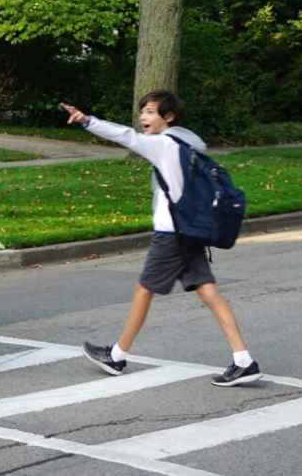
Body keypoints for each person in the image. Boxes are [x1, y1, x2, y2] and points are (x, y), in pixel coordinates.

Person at [61, 92, 263, 387]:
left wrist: (86, 120)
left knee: (144, 290)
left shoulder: (163, 145)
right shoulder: (184, 144)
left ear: (168, 118)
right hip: (189, 230)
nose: (144, 117)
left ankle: (117, 356)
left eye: (151, 112)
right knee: (208, 292)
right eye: (143, 111)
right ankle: (244, 360)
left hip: (171, 235)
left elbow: (126, 137)